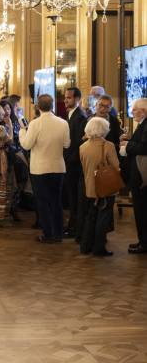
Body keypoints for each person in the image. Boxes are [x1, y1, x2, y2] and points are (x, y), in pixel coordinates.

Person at [19, 94, 70, 244]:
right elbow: (67, 144)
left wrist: (23, 132)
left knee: (43, 202)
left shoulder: (35, 123)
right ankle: (58, 233)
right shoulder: (63, 122)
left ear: (38, 107)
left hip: (40, 169)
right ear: (52, 105)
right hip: (58, 167)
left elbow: (27, 145)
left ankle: (48, 234)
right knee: (56, 201)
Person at [79, 116, 121, 257]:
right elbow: (116, 167)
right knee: (103, 218)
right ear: (104, 130)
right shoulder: (108, 146)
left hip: (90, 186)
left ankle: (85, 246)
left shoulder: (82, 147)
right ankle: (99, 248)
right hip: (105, 187)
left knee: (91, 216)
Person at [121, 98, 147, 254]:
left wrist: (127, 145)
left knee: (142, 209)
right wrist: (129, 140)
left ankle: (144, 243)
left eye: (135, 109)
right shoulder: (143, 124)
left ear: (143, 111)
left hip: (141, 176)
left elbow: (145, 147)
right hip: (138, 173)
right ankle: (142, 240)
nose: (132, 112)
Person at [63, 86, 88, 238]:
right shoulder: (70, 115)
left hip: (74, 164)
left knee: (74, 197)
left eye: (69, 98)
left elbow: (78, 143)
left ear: (77, 99)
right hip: (69, 162)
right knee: (71, 197)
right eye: (65, 97)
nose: (66, 100)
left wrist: (69, 161)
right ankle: (72, 226)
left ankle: (75, 228)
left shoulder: (80, 117)